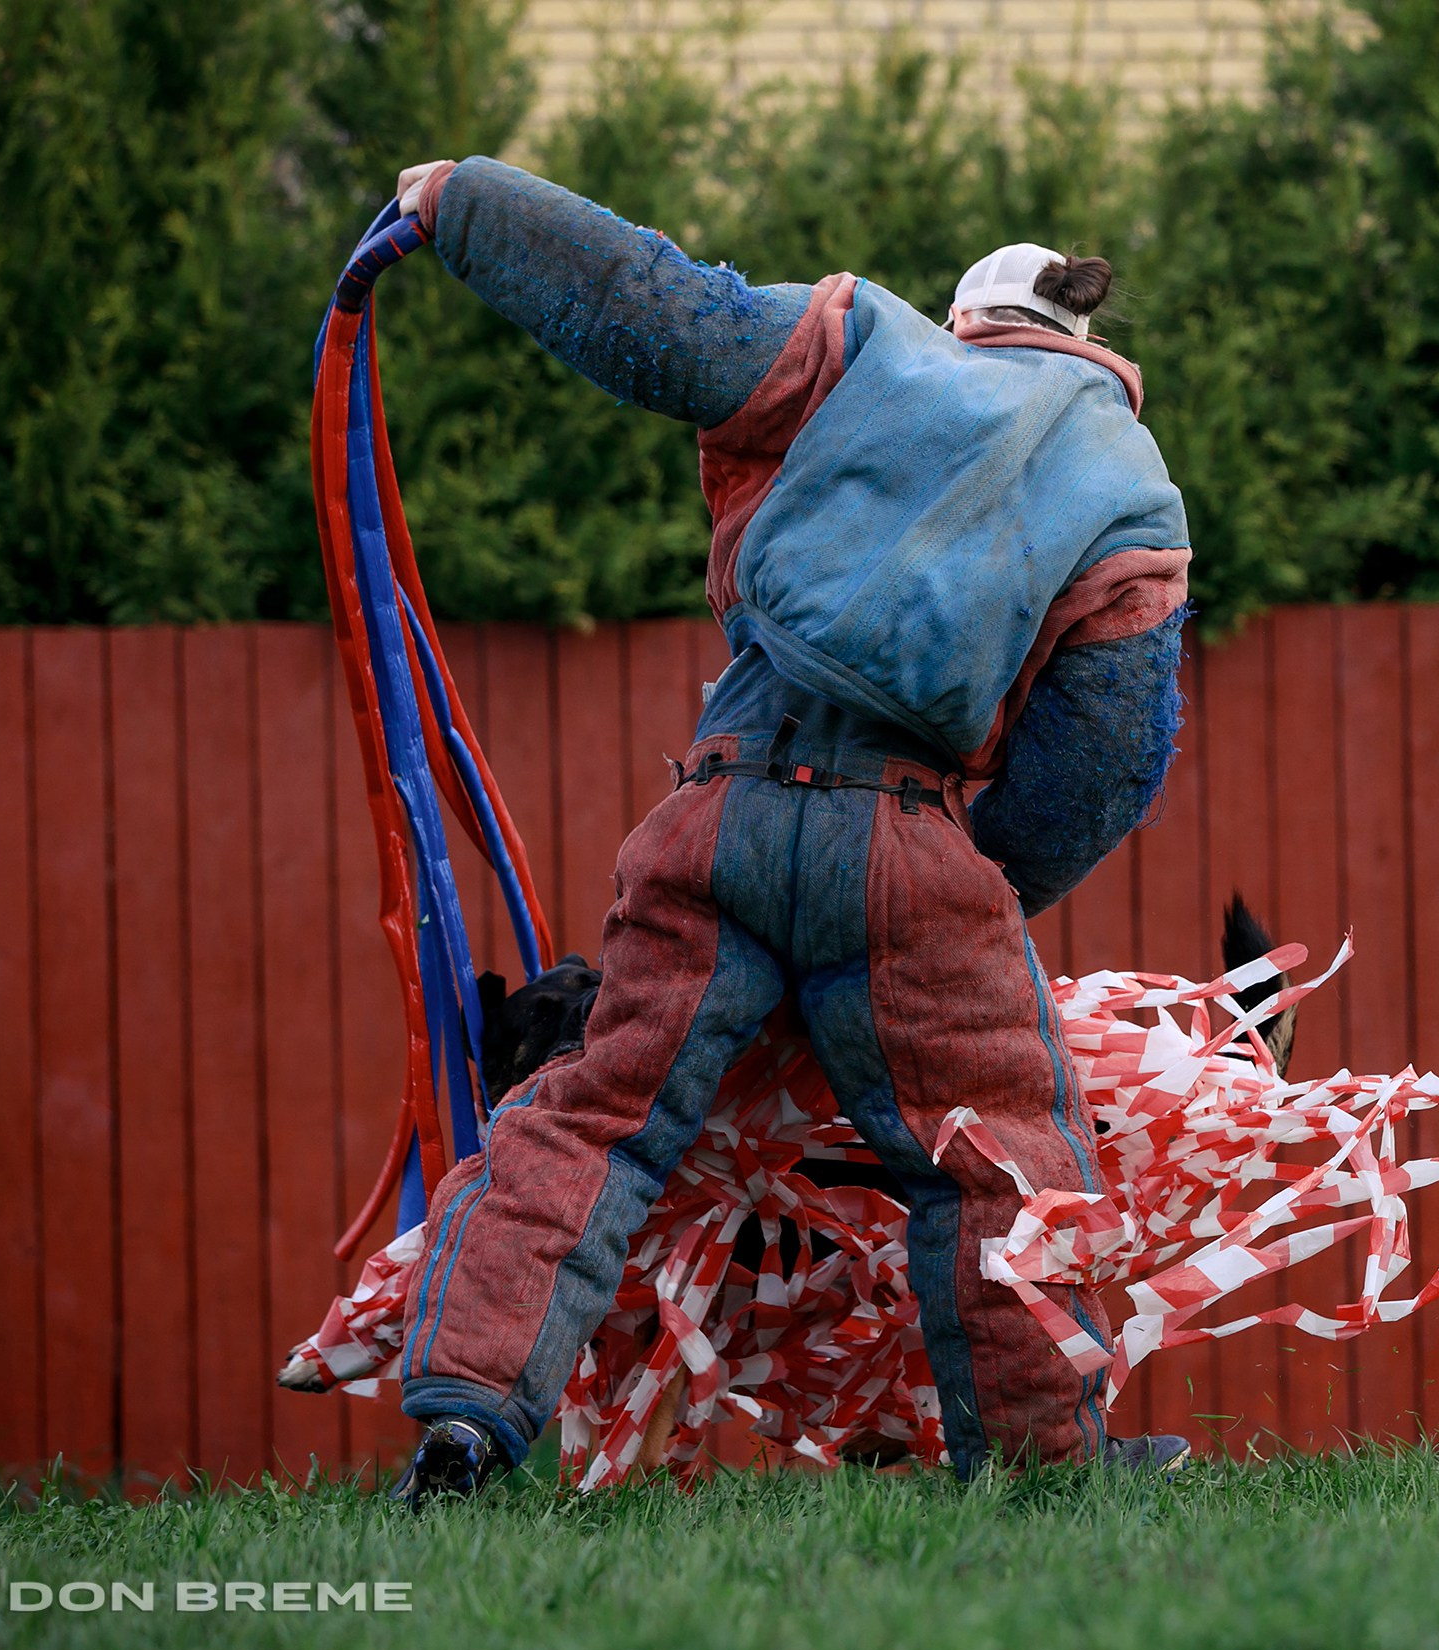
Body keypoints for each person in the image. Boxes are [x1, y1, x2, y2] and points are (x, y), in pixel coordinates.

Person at [382, 157, 1194, 1498]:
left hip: (723, 805)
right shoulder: (1134, 496)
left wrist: (466, 201)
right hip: (910, 842)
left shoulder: (860, 352)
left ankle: (466, 1415)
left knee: (587, 1120)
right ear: (1087, 344)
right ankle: (1054, 1465)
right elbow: (1099, 766)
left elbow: (655, 305)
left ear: (965, 321)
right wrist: (967, 890)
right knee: (999, 1158)